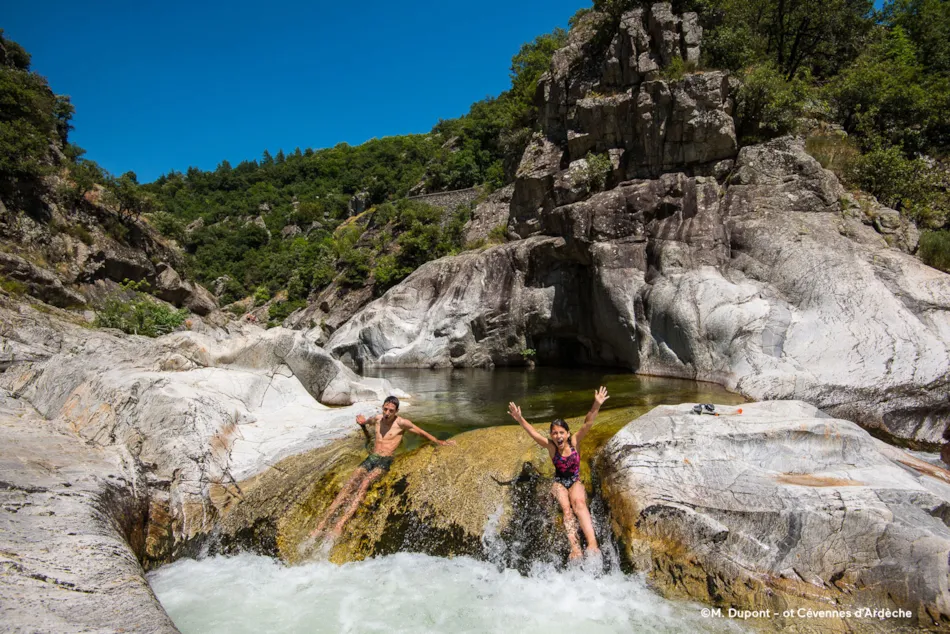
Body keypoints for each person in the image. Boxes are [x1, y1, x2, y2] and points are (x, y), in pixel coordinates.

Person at [310, 395, 455, 540]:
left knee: (364, 484)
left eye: (391, 410)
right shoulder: (378, 419)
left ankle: (340, 524)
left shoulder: (402, 423)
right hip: (372, 457)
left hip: (385, 460)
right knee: (349, 484)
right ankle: (320, 525)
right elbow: (367, 422)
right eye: (385, 409)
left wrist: (438, 441)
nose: (387, 413)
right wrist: (362, 423)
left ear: (396, 411)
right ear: (382, 408)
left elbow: (421, 432)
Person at [508, 386, 609, 560]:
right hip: (559, 482)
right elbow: (532, 433)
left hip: (575, 480)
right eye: (554, 433)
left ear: (567, 433)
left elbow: (588, 423)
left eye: (561, 432)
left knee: (579, 503)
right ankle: (575, 548)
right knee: (566, 509)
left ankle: (592, 543)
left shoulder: (575, 441)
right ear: (551, 435)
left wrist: (596, 404)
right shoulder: (551, 446)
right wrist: (519, 418)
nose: (558, 435)